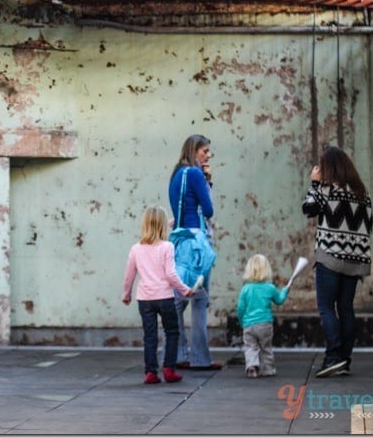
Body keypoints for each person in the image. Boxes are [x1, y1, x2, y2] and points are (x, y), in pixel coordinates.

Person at [302, 145, 372, 378]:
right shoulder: (362, 193)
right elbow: (368, 226)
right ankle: (345, 359)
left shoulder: (326, 189)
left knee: (325, 307)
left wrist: (314, 183)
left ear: (329, 167)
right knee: (346, 309)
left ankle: (333, 357)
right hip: (355, 259)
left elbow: (308, 209)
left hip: (330, 256)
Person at [166, 134, 222, 370]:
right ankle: (200, 358)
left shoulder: (176, 174)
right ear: (194, 151)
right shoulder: (197, 174)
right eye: (205, 151)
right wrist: (208, 181)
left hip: (181, 239)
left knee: (179, 297)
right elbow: (208, 210)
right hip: (198, 240)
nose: (208, 156)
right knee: (200, 299)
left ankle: (177, 354)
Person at [122, 205, 194, 384]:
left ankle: (151, 372)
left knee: (150, 335)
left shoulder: (136, 249)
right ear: (163, 225)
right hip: (164, 297)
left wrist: (126, 294)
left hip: (144, 299)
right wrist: (185, 289)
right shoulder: (167, 247)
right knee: (172, 331)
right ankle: (169, 369)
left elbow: (129, 274)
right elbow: (170, 275)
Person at [235, 254, 289, 378]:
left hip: (249, 324)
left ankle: (252, 366)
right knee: (266, 347)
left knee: (250, 347)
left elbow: (240, 308)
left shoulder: (245, 289)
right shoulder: (270, 288)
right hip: (265, 324)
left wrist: (242, 321)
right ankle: (268, 369)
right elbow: (279, 300)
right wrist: (285, 291)